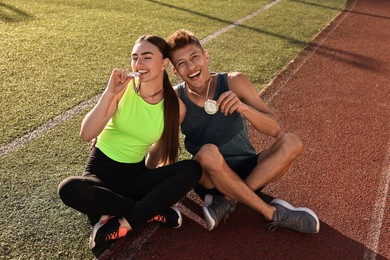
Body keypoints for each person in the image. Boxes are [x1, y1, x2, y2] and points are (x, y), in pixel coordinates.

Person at [166, 29, 320, 234]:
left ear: (206, 56)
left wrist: (243, 107)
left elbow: (275, 129)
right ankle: (271, 213)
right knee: (208, 152)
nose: (191, 66)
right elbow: (166, 146)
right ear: (175, 71)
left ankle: (228, 200)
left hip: (249, 169)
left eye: (195, 57)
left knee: (292, 142)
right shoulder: (176, 98)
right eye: (182, 63)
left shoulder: (233, 82)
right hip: (209, 179)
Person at [58, 35, 202, 250]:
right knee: (70, 189)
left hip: (135, 178)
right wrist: (109, 93)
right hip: (100, 177)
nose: (138, 64)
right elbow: (87, 134)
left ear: (164, 63)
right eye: (135, 58)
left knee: (192, 168)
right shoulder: (123, 88)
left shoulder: (175, 108)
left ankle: (123, 221)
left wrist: (161, 186)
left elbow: (160, 151)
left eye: (146, 57)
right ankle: (149, 211)